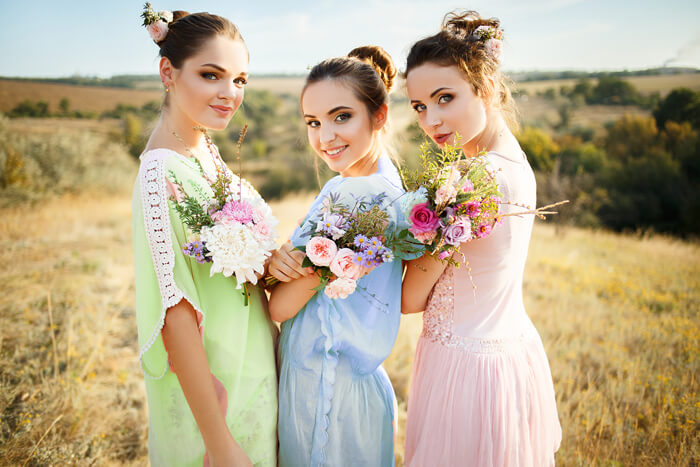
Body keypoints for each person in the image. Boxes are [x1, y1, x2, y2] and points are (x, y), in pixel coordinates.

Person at [401, 10, 562, 466]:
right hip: (509, 353)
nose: (430, 119)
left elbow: (411, 297)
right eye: (418, 106)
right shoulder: (512, 161)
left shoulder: (473, 180)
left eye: (444, 98)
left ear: (487, 89)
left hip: (467, 370)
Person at [132, 6, 277, 466]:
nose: (229, 93)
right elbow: (174, 316)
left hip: (254, 371)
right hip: (213, 405)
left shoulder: (205, 150)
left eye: (240, 80)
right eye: (211, 75)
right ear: (167, 71)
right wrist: (220, 445)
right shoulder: (159, 174)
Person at [267, 46, 404, 466]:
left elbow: (282, 304)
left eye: (341, 117)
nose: (325, 137)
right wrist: (279, 263)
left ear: (378, 115)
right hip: (359, 387)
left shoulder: (353, 195)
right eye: (314, 122)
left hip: (325, 391)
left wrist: (273, 269)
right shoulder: (387, 182)